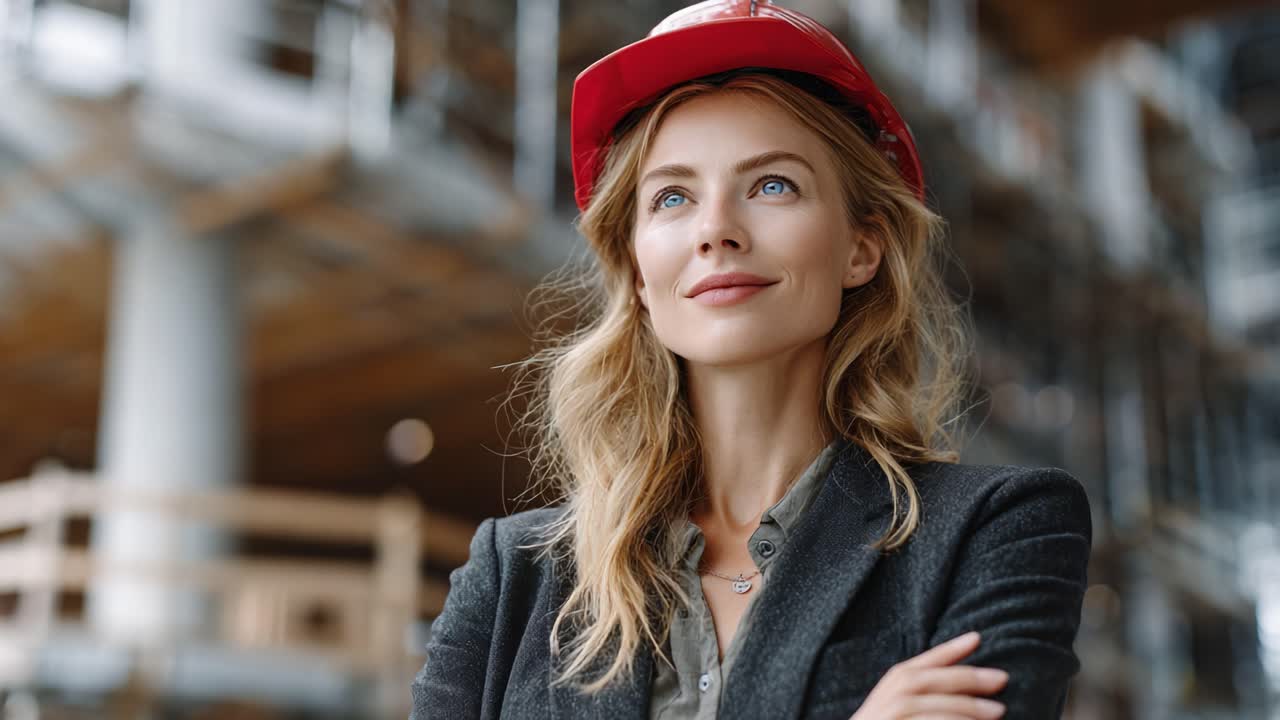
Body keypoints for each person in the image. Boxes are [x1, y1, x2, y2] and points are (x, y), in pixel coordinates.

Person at [410, 1, 1092, 718]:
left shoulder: (999, 530)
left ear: (862, 247)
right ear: (639, 273)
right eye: (672, 196)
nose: (716, 231)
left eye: (772, 185)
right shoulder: (513, 575)